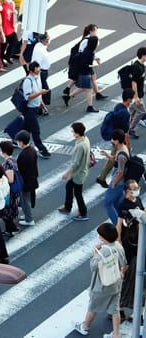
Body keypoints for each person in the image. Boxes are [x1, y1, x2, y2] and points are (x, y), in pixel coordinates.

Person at [74, 223, 126, 338]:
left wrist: (95, 253)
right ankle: (116, 335)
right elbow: (124, 263)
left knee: (93, 306)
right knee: (115, 309)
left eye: (100, 235)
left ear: (104, 237)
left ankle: (85, 326)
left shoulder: (103, 251)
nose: (99, 237)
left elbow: (93, 267)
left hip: (102, 285)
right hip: (116, 283)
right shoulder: (119, 247)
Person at [116, 180, 143, 321]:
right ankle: (119, 309)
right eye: (134, 188)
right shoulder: (124, 205)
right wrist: (119, 240)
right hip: (128, 243)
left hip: (138, 241)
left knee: (136, 273)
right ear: (127, 190)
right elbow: (119, 224)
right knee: (124, 274)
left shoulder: (137, 199)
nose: (137, 189)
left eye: (137, 187)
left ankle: (133, 309)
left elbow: (142, 213)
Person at [96, 88, 132, 188]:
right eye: (131, 99)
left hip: (114, 135)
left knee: (114, 157)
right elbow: (126, 132)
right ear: (129, 100)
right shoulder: (125, 114)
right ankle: (104, 178)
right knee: (116, 159)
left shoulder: (118, 106)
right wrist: (128, 144)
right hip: (119, 139)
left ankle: (102, 177)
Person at [63, 24, 108, 101]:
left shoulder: (89, 39)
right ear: (91, 31)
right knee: (82, 81)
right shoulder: (87, 40)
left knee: (90, 77)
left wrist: (95, 58)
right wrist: (94, 63)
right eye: (95, 31)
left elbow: (89, 53)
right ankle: (68, 93)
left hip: (84, 62)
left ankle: (97, 93)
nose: (97, 33)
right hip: (83, 63)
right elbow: (85, 53)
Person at [58, 122, 91, 221]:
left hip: (78, 173)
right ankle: (68, 207)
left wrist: (66, 173)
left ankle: (83, 213)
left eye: (73, 131)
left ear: (77, 133)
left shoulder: (81, 145)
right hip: (80, 171)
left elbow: (76, 163)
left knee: (78, 193)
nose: (72, 133)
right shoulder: (85, 139)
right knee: (69, 187)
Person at [99, 129, 129, 225]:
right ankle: (123, 221)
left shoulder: (121, 155)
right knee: (117, 204)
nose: (111, 140)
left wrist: (114, 183)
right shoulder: (121, 148)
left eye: (112, 139)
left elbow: (120, 172)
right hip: (119, 182)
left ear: (116, 140)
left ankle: (118, 226)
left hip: (118, 182)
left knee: (107, 204)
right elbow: (114, 159)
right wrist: (107, 154)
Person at [23, 61, 51, 159]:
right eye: (37, 68)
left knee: (26, 129)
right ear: (32, 70)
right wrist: (40, 93)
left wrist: (42, 104)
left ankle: (16, 140)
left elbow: (38, 93)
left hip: (35, 108)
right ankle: (42, 149)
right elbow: (27, 97)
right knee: (36, 130)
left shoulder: (37, 78)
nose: (39, 69)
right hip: (29, 109)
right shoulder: (28, 81)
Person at [64, 36, 100, 112]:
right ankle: (90, 107)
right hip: (85, 73)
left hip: (83, 73)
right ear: (94, 44)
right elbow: (85, 64)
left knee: (84, 88)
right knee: (89, 90)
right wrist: (94, 65)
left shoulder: (88, 50)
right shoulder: (90, 52)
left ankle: (68, 97)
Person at [15, 130, 39, 227]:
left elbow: (21, 170)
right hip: (32, 179)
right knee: (26, 199)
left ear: (21, 142)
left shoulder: (24, 155)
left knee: (25, 200)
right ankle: (26, 215)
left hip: (26, 181)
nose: (17, 143)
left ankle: (29, 219)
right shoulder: (32, 150)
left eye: (18, 141)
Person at [0, 141, 21, 236]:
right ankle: (11, 228)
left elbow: (10, 179)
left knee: (6, 210)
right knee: (10, 209)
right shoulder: (13, 160)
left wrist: (1, 179)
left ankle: (11, 229)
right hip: (13, 190)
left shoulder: (8, 163)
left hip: (9, 191)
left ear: (3, 151)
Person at [126, 47, 146, 138]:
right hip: (135, 95)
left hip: (139, 93)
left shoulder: (141, 66)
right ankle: (131, 129)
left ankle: (127, 128)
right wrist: (136, 97)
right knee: (142, 112)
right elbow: (133, 82)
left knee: (133, 112)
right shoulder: (137, 67)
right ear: (143, 56)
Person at [31, 33, 51, 107]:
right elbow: (37, 63)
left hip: (43, 71)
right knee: (43, 90)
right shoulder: (39, 50)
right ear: (44, 40)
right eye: (48, 39)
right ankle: (41, 106)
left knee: (42, 89)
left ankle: (41, 105)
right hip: (41, 72)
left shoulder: (40, 46)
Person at [0, 0, 18, 66]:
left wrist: (15, 14)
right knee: (3, 47)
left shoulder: (12, 4)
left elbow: (14, 20)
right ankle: (1, 59)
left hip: (11, 29)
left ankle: (7, 56)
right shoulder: (1, 6)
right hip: (4, 30)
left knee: (15, 42)